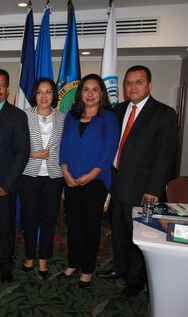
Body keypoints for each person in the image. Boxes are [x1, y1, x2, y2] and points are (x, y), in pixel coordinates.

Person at [97, 65, 177, 296]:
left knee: (140, 236)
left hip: (144, 189)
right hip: (118, 183)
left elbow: (165, 155)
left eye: (138, 82)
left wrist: (154, 189)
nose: (132, 87)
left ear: (150, 85)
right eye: (129, 82)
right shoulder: (118, 110)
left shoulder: (164, 114)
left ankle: (136, 280)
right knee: (119, 231)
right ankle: (120, 268)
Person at [59, 74, 119, 288]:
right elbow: (63, 145)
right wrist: (65, 170)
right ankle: (72, 263)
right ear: (80, 93)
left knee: (91, 226)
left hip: (96, 181)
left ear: (101, 93)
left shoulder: (109, 118)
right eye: (86, 89)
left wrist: (91, 175)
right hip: (72, 180)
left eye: (95, 90)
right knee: (73, 225)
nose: (90, 94)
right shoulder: (71, 116)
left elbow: (109, 150)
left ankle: (87, 268)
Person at [0, 69, 30, 283]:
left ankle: (6, 264)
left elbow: (22, 152)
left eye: (2, 85)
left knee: (6, 228)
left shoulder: (17, 115)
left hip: (3, 185)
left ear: (8, 89)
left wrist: (7, 183)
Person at [18, 78, 66, 279]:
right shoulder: (23, 116)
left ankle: (44, 258)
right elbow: (14, 146)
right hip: (29, 174)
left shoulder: (63, 117)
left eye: (48, 92)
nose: (44, 96)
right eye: (39, 92)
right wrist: (32, 154)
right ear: (34, 95)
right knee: (30, 218)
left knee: (48, 219)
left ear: (54, 95)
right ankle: (30, 255)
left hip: (54, 176)